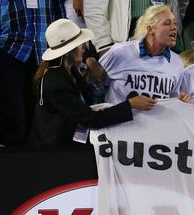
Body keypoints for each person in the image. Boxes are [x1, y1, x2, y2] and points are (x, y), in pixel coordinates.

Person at [28, 19, 155, 147]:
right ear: (68, 51)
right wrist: (130, 105)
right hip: (52, 153)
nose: (84, 47)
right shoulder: (57, 82)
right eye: (79, 44)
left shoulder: (68, 70)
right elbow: (91, 119)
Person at [0, 0, 66, 146]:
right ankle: (9, 167)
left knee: (44, 123)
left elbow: (59, 13)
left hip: (45, 55)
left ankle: (40, 167)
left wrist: (62, 50)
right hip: (7, 51)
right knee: (11, 121)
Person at [98, 5, 184, 104]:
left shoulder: (177, 62)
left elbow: (172, 101)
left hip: (158, 119)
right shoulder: (119, 52)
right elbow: (97, 85)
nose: (174, 28)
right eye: (167, 23)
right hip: (122, 118)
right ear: (150, 29)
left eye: (175, 24)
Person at [83, 0, 189, 55]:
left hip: (165, 46)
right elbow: (94, 10)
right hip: (126, 45)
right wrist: (104, 46)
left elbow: (181, 4)